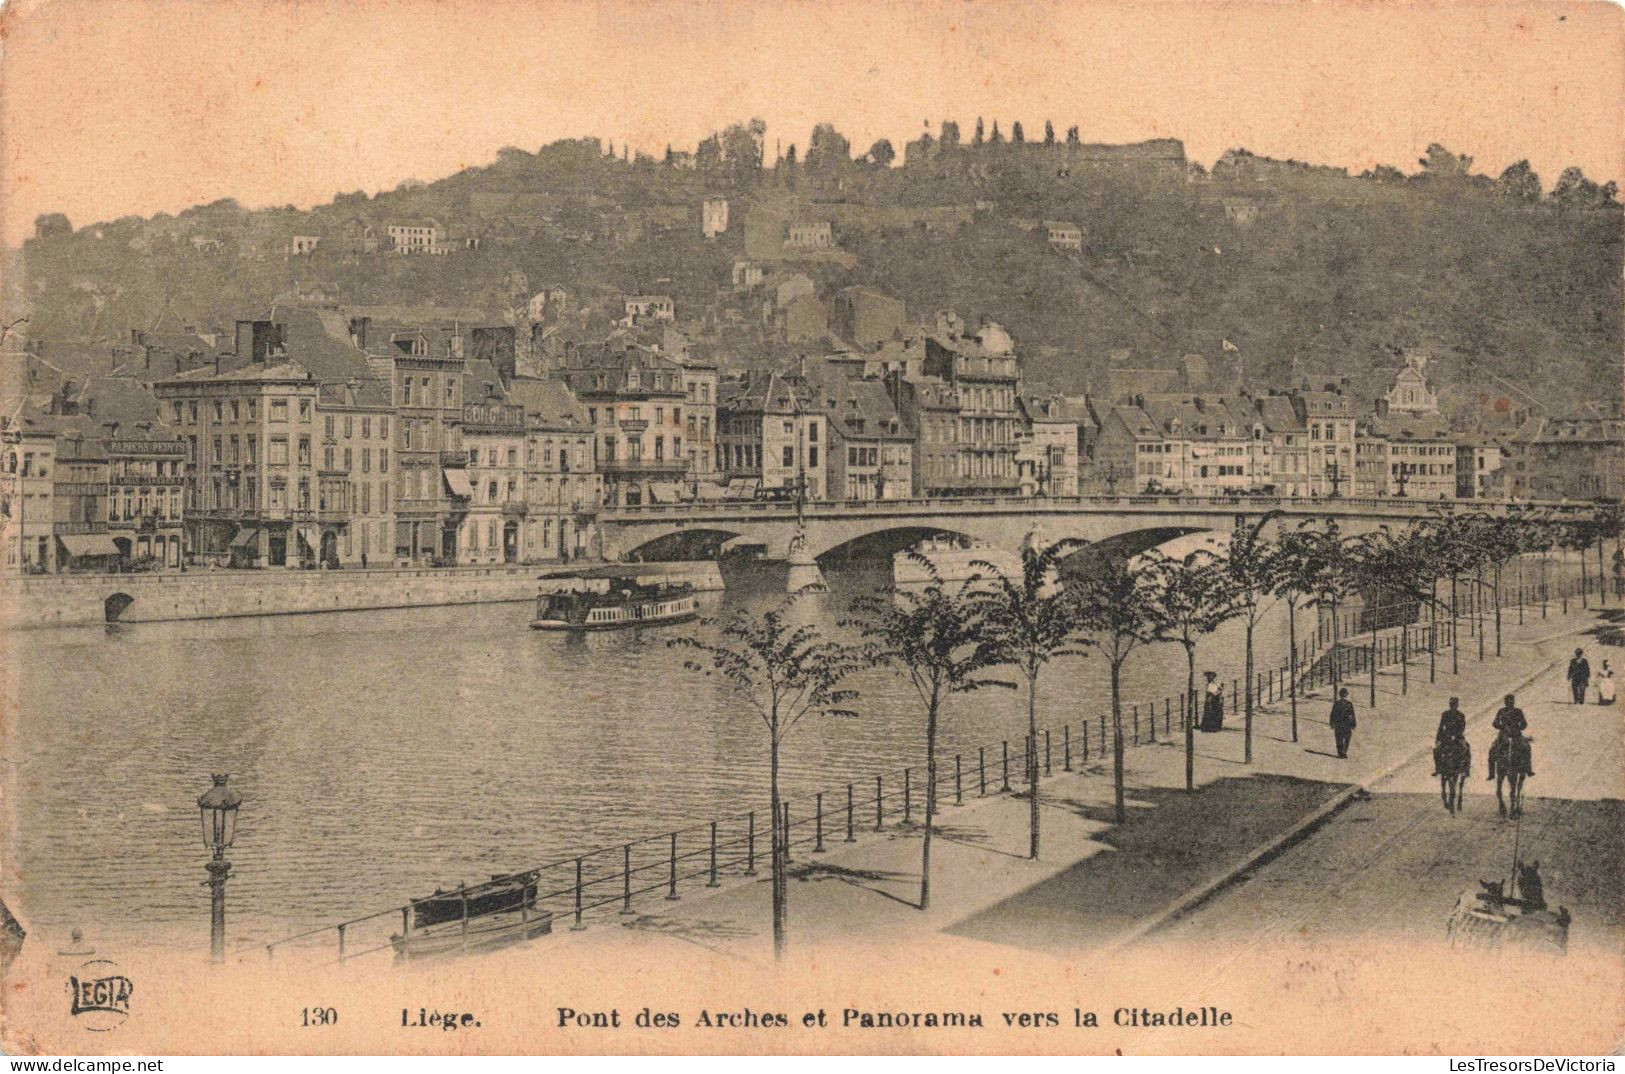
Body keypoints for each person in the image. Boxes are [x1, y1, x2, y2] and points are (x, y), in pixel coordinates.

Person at [1489, 693, 1531, 780]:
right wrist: (1502, 727)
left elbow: (1524, 723)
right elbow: (1495, 723)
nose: (1509, 703)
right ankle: (1492, 773)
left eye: (1511, 702)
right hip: (1503, 735)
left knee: (1526, 747)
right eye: (1507, 702)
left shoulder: (1518, 711)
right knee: (1492, 749)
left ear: (1513, 702)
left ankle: (1528, 769)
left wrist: (1518, 728)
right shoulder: (1501, 711)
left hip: (1516, 735)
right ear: (1505, 702)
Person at [1431, 696, 1467, 776]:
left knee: (1465, 748)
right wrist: (1438, 739)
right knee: (1436, 750)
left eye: (1454, 704)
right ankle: (1438, 768)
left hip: (1458, 737)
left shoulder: (1461, 715)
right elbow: (1441, 727)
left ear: (1457, 705)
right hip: (1446, 736)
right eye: (1451, 704)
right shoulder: (1445, 714)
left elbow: (1462, 727)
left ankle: (1464, 769)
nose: (1453, 706)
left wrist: (1457, 735)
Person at [1329, 687, 1357, 758]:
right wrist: (1353, 724)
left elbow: (1332, 714)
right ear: (1346, 695)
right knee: (1347, 738)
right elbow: (1352, 715)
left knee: (1339, 738)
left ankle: (1340, 752)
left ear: (1340, 695)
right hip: (1347, 724)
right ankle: (1344, 751)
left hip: (1338, 724)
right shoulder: (1349, 704)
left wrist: (1332, 723)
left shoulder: (1336, 703)